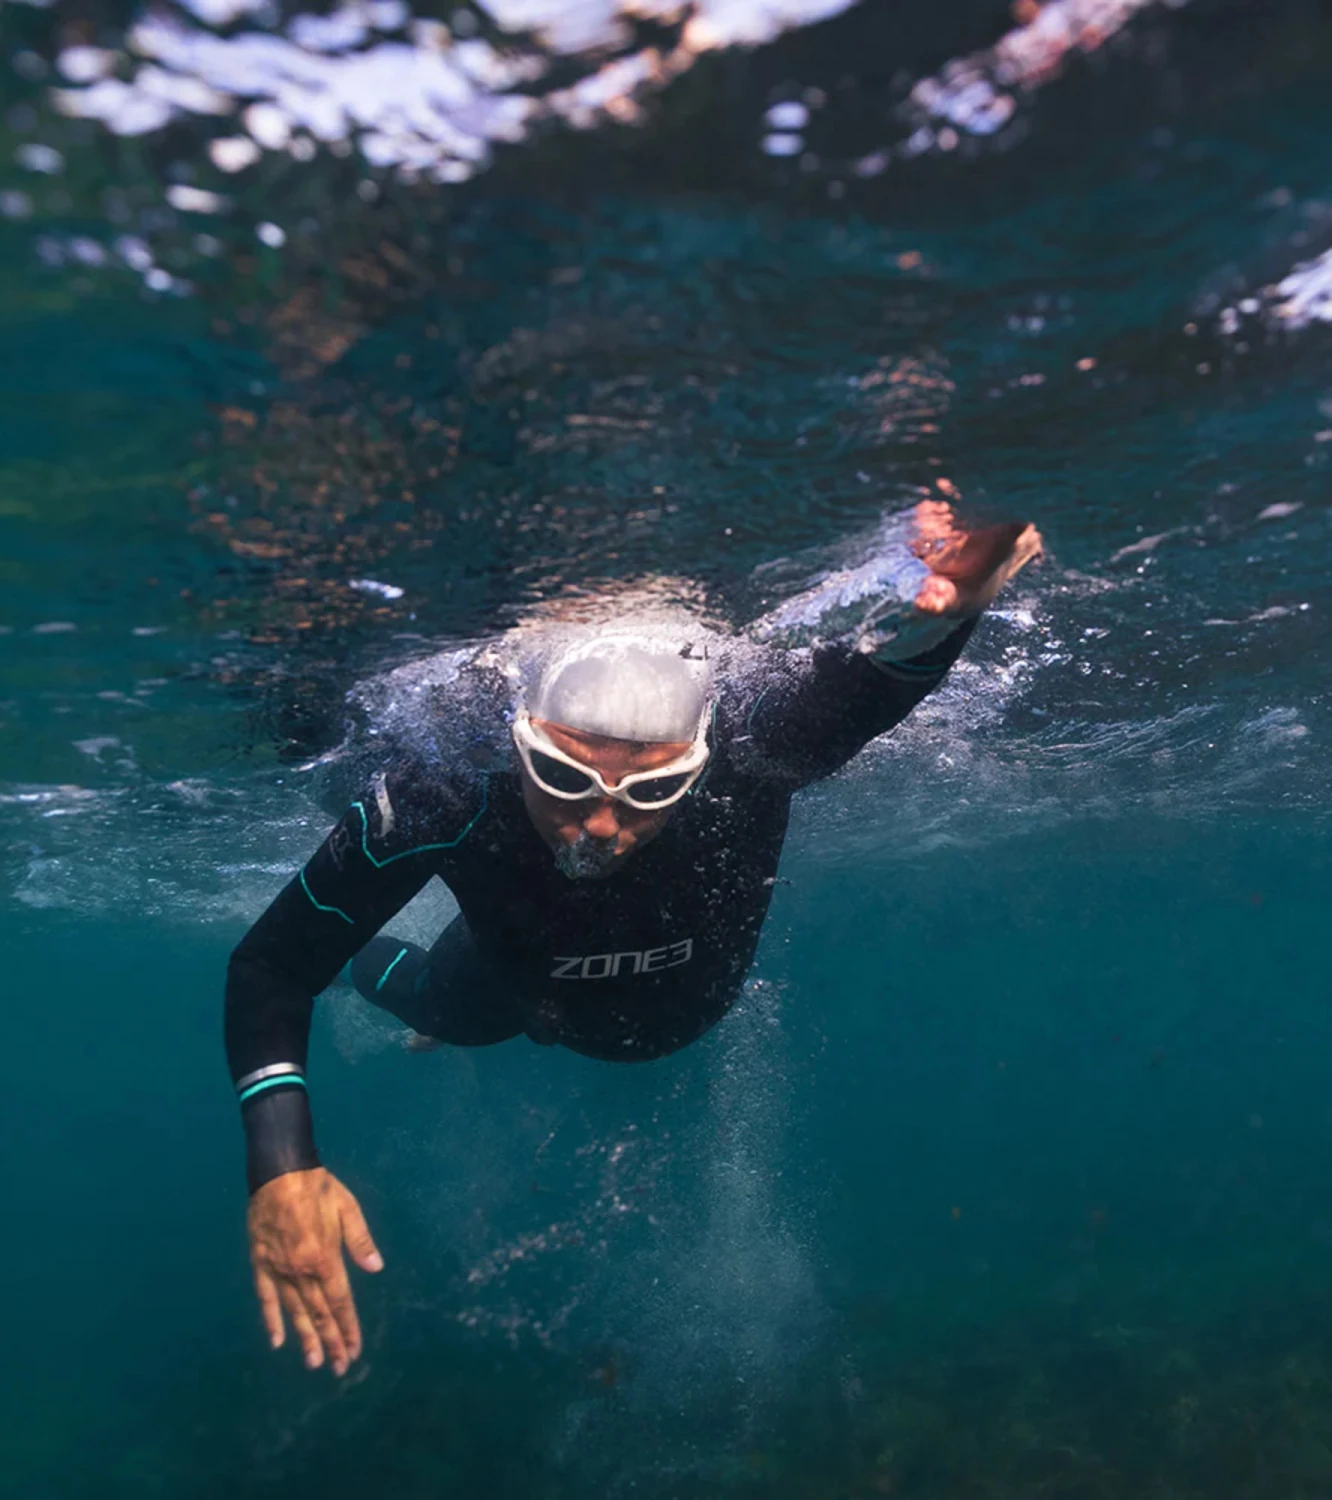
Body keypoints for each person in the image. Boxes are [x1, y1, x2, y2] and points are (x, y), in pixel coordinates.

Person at [224, 501, 1042, 1375]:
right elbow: (274, 965)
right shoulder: (446, 787)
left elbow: (882, 678)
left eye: (652, 792)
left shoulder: (754, 745)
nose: (601, 825)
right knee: (429, 1004)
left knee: (457, 1006)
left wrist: (957, 605)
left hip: (636, 1009)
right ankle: (364, 964)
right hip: (506, 996)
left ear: (697, 761)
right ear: (518, 744)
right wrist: (281, 1165)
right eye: (563, 777)